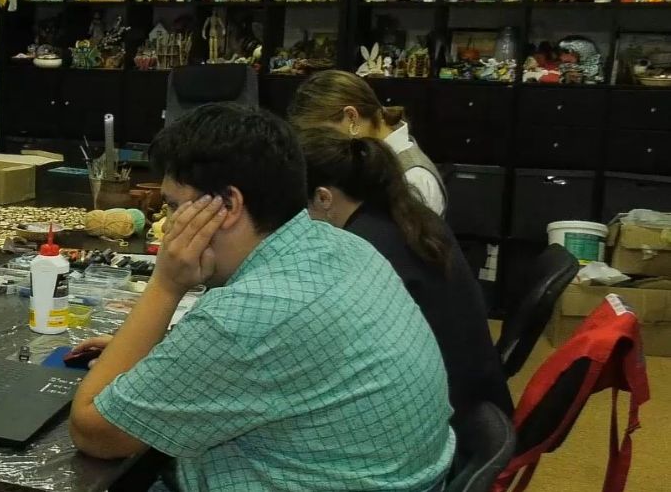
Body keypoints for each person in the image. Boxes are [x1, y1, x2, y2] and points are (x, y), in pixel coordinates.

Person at [68, 103, 454, 491]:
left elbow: (95, 432)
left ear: (228, 205)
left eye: (173, 206)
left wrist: (166, 284)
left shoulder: (246, 315)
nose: (167, 227)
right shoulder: (344, 245)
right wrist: (159, 354)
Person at [299, 126, 512, 417]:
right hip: (476, 393)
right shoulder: (408, 214)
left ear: (324, 198)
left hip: (448, 412)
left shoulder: (362, 247)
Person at [288, 69, 446, 215]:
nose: (320, 145)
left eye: (323, 134)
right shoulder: (367, 161)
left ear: (351, 117)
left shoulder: (414, 178)